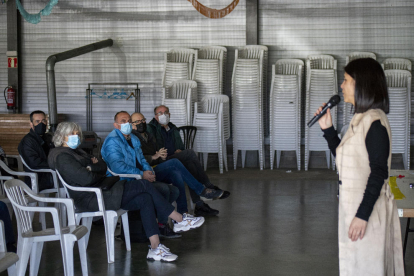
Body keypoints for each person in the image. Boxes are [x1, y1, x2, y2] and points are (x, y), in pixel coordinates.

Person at [48, 122, 205, 262]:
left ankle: (155, 248)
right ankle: (178, 219)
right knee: (143, 185)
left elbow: (103, 166)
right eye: (72, 134)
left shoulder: (77, 152)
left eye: (77, 134)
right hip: (92, 198)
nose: (76, 137)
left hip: (104, 191)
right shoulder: (62, 156)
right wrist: (91, 167)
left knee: (144, 198)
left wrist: (92, 167)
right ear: (62, 137)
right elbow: (87, 178)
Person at [315, 58, 404, 275]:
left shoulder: (374, 124)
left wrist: (362, 215)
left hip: (368, 213)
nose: (342, 86)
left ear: (361, 85)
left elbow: (379, 173)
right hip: (355, 209)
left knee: (367, 268)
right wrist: (328, 131)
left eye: (346, 80)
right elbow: (347, 161)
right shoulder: (360, 118)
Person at [101, 111, 205, 238]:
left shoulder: (133, 138)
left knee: (173, 190)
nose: (127, 123)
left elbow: (142, 159)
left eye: (128, 121)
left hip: (139, 177)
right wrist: (141, 173)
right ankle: (169, 223)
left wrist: (148, 171)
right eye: (123, 121)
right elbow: (118, 167)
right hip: (123, 181)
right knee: (165, 189)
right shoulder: (113, 141)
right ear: (116, 125)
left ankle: (167, 224)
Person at [131, 112, 225, 215]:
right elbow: (136, 159)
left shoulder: (153, 135)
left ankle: (183, 212)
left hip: (158, 164)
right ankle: (203, 189)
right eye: (137, 121)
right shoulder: (134, 138)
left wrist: (161, 155)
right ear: (132, 125)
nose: (141, 123)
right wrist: (154, 156)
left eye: (142, 120)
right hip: (147, 172)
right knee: (182, 158)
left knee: (180, 171)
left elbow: (163, 151)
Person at [18, 110, 54, 191]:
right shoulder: (27, 141)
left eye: (43, 121)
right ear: (31, 124)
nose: (41, 124)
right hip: (38, 178)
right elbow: (34, 163)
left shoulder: (48, 137)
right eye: (37, 121)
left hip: (50, 174)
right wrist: (55, 165)